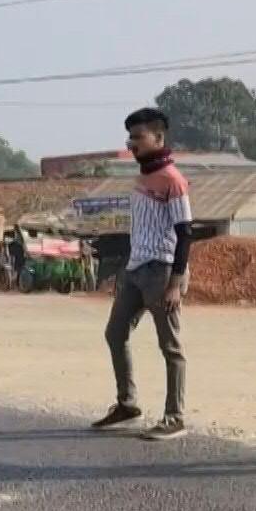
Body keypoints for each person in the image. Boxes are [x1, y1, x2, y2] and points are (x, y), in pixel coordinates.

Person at [92, 108, 194, 442]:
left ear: (158, 137)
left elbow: (185, 233)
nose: (131, 143)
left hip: (162, 272)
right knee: (115, 333)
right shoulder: (141, 178)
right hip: (136, 269)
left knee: (170, 347)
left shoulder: (172, 180)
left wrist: (175, 284)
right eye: (130, 137)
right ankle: (127, 404)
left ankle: (175, 417)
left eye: (138, 137)